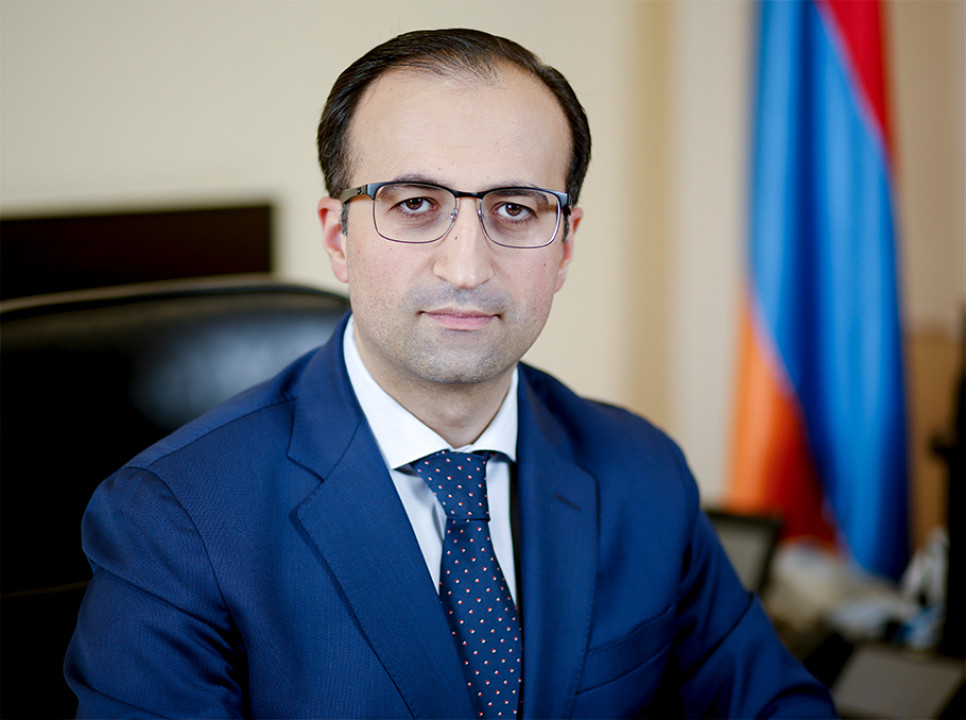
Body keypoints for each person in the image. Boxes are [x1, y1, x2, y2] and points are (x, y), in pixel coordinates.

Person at [65, 28, 836, 719]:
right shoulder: (172, 519)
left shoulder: (642, 471)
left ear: (565, 247)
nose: (465, 268)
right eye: (414, 204)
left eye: (516, 209)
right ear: (337, 238)